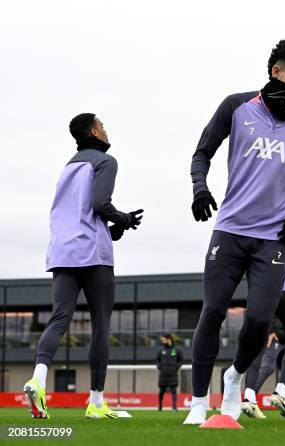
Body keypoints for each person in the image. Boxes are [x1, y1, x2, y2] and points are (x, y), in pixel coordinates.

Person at [184, 40, 285, 425]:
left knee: (260, 321)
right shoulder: (236, 105)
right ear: (275, 72)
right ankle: (198, 402)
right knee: (212, 311)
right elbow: (202, 153)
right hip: (229, 231)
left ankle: (234, 379)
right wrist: (200, 188)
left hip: (274, 240)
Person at [24, 113, 143, 420]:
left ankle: (37, 379)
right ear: (93, 131)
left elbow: (81, 211)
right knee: (100, 324)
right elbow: (99, 204)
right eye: (103, 126)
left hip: (62, 252)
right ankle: (96, 403)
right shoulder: (107, 161)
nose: (106, 130)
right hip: (92, 253)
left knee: (59, 318)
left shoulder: (67, 168)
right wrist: (124, 219)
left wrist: (112, 227)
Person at [242, 249, 285, 419]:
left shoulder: (253, 241)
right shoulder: (280, 236)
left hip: (261, 291)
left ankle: (249, 397)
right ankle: (280, 392)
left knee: (257, 347)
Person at [156, 334, 184, 411]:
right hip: (163, 374)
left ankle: (174, 407)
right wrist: (160, 367)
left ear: (169, 339)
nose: (162, 341)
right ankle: (160, 406)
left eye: (163, 340)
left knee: (174, 390)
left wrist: (176, 367)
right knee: (161, 391)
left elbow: (181, 360)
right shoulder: (161, 350)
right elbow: (157, 360)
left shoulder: (176, 350)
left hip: (173, 374)